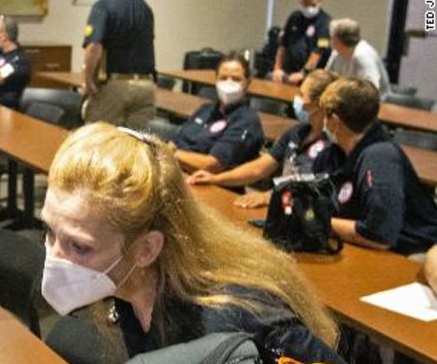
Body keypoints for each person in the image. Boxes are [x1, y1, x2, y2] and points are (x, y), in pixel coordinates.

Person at [39, 122, 385, 364]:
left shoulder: (235, 318)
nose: (55, 257)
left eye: (79, 247)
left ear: (146, 248)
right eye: (50, 233)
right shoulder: (127, 293)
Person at [186, 70, 342, 208]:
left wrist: (269, 196)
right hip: (282, 211)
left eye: (302, 95)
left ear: (319, 103)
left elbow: (317, 191)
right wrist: (216, 178)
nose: (296, 99)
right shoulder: (297, 132)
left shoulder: (334, 145)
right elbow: (258, 169)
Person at [322, 78, 437, 255]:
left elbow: (379, 234)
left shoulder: (379, 158)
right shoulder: (341, 152)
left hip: (413, 254)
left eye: (325, 115)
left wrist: (317, 222)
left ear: (336, 121)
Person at [81, 0, 156, 129]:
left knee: (99, 138)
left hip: (116, 86)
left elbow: (94, 46)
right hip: (146, 85)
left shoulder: (102, 6)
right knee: (136, 144)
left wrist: (88, 80)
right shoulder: (142, 4)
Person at [170, 54, 265, 173]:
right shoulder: (205, 109)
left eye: (236, 79)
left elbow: (213, 165)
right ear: (216, 81)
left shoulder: (247, 121)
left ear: (247, 83)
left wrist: (171, 155)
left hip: (211, 183)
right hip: (178, 172)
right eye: (223, 78)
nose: (228, 83)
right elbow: (174, 142)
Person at [272, 0, 331, 86]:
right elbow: (283, 45)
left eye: (313, 5)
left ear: (320, 2)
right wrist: (277, 68)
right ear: (300, 2)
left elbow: (318, 52)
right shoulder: (294, 17)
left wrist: (303, 73)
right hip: (288, 72)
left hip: (311, 77)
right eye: (306, 5)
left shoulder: (325, 22)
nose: (309, 8)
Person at [325, 18, 390, 98]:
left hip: (373, 102)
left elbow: (371, 89)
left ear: (341, 40)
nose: (330, 41)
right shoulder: (336, 52)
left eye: (332, 37)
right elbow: (327, 77)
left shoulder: (362, 55)